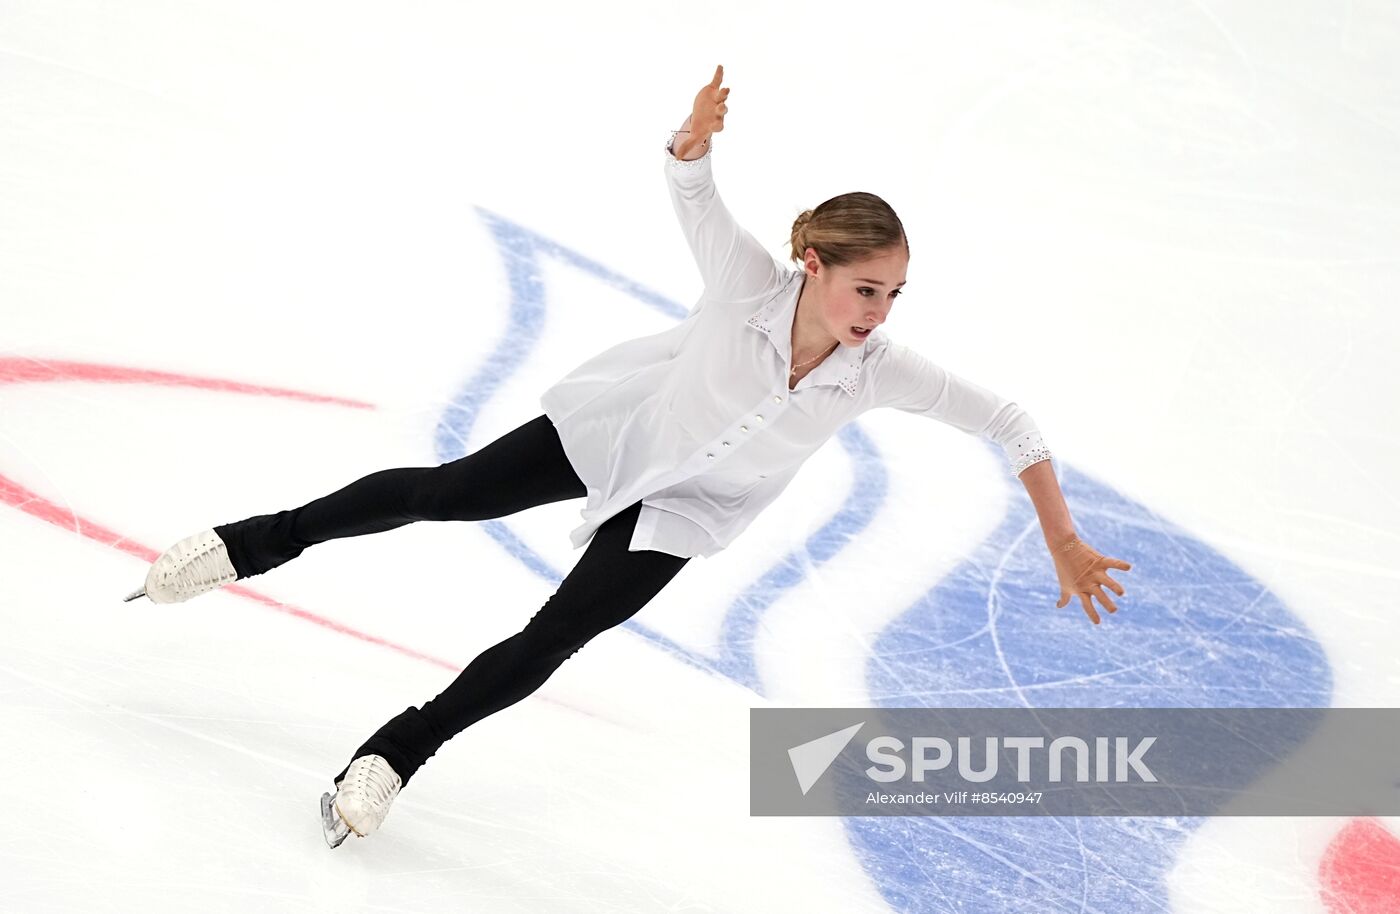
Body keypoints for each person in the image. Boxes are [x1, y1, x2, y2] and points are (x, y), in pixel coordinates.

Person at [124, 65, 1132, 848]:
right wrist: (692, 138)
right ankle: (252, 543)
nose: (878, 312)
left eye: (893, 294)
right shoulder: (747, 283)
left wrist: (1061, 538)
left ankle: (396, 750)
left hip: (687, 509)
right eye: (866, 288)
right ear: (814, 265)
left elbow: (1012, 422)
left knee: (551, 634)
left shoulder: (880, 370)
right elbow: (693, 191)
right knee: (442, 494)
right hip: (617, 432)